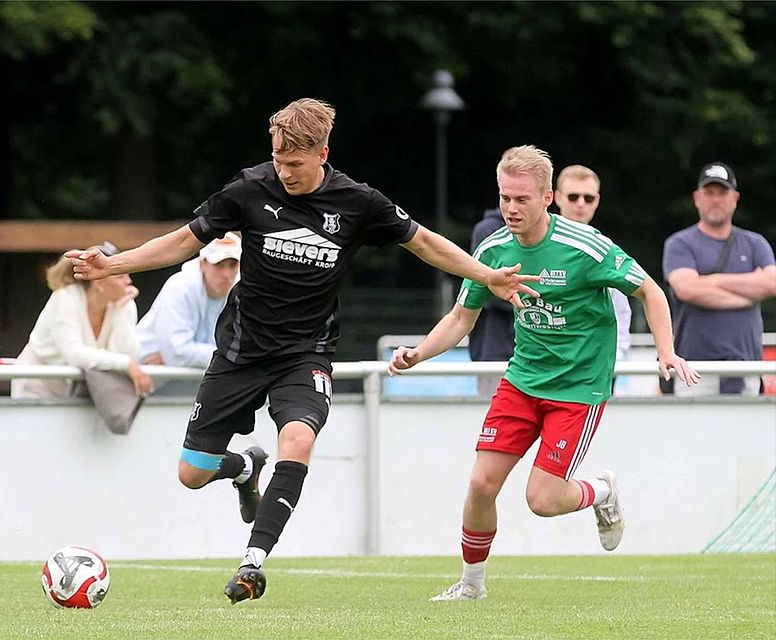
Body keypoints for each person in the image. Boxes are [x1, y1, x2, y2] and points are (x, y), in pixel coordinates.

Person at [65, 98, 540, 604]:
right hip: (240, 352)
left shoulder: (357, 202)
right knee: (192, 473)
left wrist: (485, 274)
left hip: (305, 355)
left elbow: (424, 243)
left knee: (298, 441)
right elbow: (184, 241)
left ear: (321, 154)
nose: (284, 171)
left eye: (294, 163)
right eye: (278, 160)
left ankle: (253, 563)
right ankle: (245, 468)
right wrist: (114, 266)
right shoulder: (249, 189)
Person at [389, 145, 699, 602]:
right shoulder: (493, 250)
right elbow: (460, 319)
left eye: (522, 199)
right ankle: (471, 587)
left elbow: (651, 291)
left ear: (548, 197)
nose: (511, 208)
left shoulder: (584, 247)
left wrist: (667, 351)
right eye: (504, 198)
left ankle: (600, 491)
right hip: (522, 381)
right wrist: (418, 353)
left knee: (543, 500)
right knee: (480, 484)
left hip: (578, 388)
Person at [663, 162, 776, 396]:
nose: (716, 199)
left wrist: (712, 280)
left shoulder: (755, 243)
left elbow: (771, 284)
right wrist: (748, 294)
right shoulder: (679, 244)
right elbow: (687, 289)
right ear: (697, 198)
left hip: (746, 367)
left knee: (744, 433)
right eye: (709, 192)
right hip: (693, 370)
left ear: (735, 198)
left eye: (722, 193)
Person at [11, 242, 153, 400]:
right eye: (120, 276)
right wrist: (126, 363)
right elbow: (74, 354)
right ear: (99, 282)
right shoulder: (65, 298)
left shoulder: (124, 304)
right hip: (37, 386)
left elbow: (128, 354)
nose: (128, 281)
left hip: (81, 391)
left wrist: (120, 313)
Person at [554, 165, 632, 362]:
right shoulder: (536, 243)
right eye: (573, 196)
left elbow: (620, 311)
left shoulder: (606, 249)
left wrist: (617, 356)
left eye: (588, 198)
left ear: (597, 201)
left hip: (596, 366)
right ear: (557, 197)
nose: (581, 203)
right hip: (547, 363)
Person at [136, 234, 241, 369]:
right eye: (219, 265)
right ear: (203, 264)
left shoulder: (241, 292)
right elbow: (177, 353)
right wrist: (232, 355)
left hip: (196, 380)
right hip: (149, 376)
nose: (226, 274)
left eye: (232, 265)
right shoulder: (179, 286)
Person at [467, 208, 514, 397]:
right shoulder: (487, 232)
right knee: (494, 418)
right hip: (494, 347)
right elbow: (480, 294)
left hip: (537, 353)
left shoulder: (546, 235)